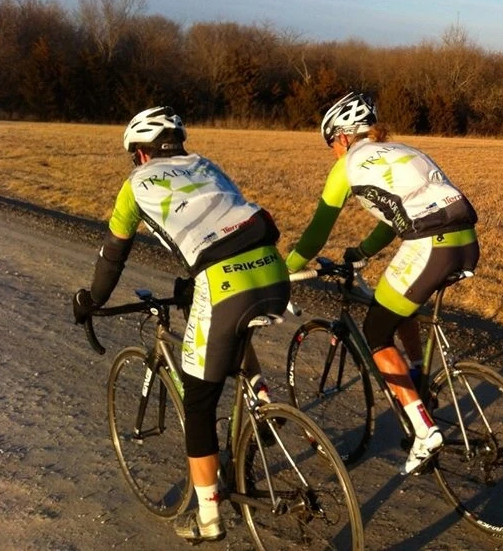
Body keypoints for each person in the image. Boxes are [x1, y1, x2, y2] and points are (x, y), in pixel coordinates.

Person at [72, 106, 290, 543]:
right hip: (273, 269)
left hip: (223, 282)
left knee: (198, 401)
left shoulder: (135, 186)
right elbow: (223, 218)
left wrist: (90, 301)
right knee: (235, 330)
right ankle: (259, 399)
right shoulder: (206, 165)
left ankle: (209, 519)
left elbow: (113, 255)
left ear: (141, 155)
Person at [286, 91, 479, 474]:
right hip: (467, 241)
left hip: (431, 244)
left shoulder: (348, 165)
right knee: (398, 304)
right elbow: (393, 218)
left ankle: (424, 431)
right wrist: (361, 251)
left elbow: (315, 234)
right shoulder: (400, 149)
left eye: (331, 145)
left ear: (342, 137)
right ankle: (419, 380)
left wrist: (284, 270)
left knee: (376, 329)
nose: (333, 154)